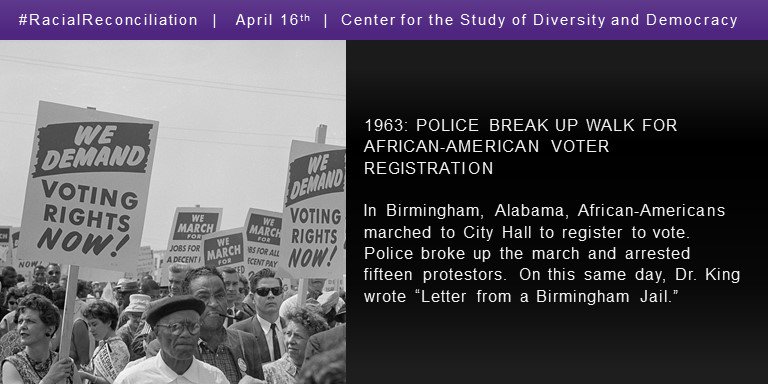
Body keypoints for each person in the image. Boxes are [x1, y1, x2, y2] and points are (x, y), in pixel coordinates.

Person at [146, 266, 265, 383]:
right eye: (203, 297)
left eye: (219, 296)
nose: (213, 303)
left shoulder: (246, 342)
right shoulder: (165, 347)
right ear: (188, 302)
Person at [113, 295, 228, 384]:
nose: (186, 334)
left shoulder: (215, 378)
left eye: (194, 326)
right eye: (176, 327)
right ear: (156, 332)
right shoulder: (132, 380)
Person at [1, 294, 76, 384]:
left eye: (30, 321)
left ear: (50, 329)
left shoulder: (64, 363)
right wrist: (49, 379)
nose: (22, 326)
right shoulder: (12, 365)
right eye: (20, 321)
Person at [230, 269, 286, 364]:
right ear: (252, 298)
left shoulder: (294, 328)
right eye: (263, 291)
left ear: (282, 295)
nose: (271, 295)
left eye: (276, 291)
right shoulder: (237, 333)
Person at [263, 307, 329, 384]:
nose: (290, 341)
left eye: (298, 336)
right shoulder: (269, 373)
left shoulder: (326, 371)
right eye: (288, 334)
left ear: (313, 340)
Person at [78, 301, 129, 384]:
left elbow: (115, 382)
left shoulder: (118, 348)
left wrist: (87, 376)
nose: (91, 330)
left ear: (108, 322)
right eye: (89, 325)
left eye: (94, 324)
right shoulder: (101, 346)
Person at [115, 294, 149, 361]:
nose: (138, 319)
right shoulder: (123, 333)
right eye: (135, 316)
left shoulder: (149, 330)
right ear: (129, 315)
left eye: (142, 316)